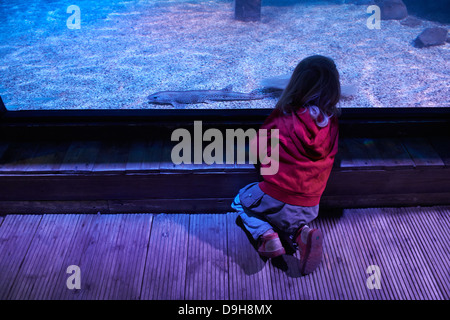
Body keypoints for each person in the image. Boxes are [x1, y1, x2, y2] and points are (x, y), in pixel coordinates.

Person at [231, 55, 340, 275]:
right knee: (292, 218)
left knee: (240, 201)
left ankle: (267, 236)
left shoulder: (284, 115)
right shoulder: (332, 123)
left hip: (276, 195)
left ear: (294, 84)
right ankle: (303, 233)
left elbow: (256, 148)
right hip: (311, 204)